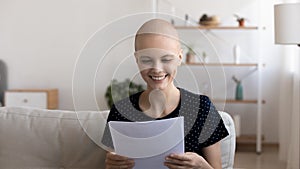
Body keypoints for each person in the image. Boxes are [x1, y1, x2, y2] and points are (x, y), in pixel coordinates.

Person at [102, 19, 229, 169]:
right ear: (137, 59)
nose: (157, 69)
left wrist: (202, 166)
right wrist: (111, 166)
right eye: (147, 60)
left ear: (179, 58)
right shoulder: (121, 111)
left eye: (166, 59)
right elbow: (111, 162)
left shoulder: (202, 108)